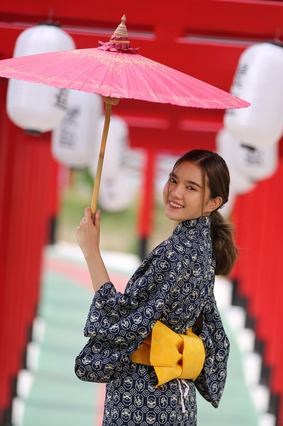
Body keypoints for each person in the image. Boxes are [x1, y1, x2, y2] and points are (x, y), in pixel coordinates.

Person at [74, 149, 238, 425]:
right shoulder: (200, 248)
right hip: (174, 395)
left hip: (146, 395)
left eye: (191, 187)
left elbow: (124, 318)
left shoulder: (176, 254)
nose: (175, 192)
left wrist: (91, 251)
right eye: (173, 180)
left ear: (213, 202)